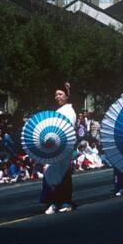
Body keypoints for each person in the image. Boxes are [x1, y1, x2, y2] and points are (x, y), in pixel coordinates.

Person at [41, 82, 77, 215]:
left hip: (64, 147)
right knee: (52, 174)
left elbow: (66, 130)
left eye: (60, 94)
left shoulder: (69, 111)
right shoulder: (57, 111)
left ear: (67, 96)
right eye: (56, 94)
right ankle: (54, 202)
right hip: (54, 148)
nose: (57, 97)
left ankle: (66, 201)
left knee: (64, 174)